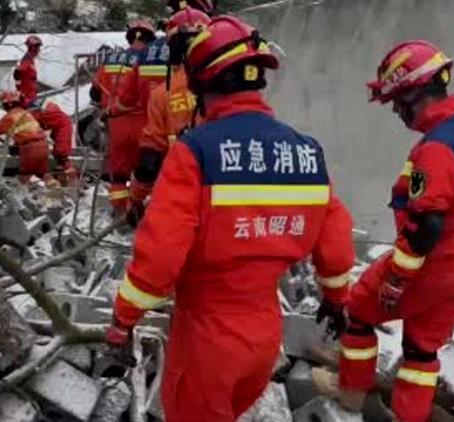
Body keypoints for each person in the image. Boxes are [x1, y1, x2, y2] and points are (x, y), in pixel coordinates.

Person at [104, 16, 356, 421]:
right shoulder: (306, 151)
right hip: (264, 335)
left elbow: (160, 255)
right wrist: (338, 299)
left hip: (207, 336)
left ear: (205, 84)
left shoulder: (196, 151)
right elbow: (336, 241)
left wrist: (123, 319)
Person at [312, 40, 454, 422]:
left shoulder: (436, 149)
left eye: (399, 101)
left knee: (358, 312)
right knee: (421, 351)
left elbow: (426, 225)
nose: (397, 110)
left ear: (417, 92)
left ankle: (350, 392)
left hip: (428, 267)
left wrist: (397, 277)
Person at [127, 7, 210, 225]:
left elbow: (149, 162)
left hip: (182, 197)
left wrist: (135, 198)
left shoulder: (163, 94)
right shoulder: (233, 90)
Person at [105, 19, 159, 216]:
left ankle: (119, 214)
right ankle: (144, 213)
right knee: (147, 172)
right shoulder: (150, 60)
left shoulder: (110, 59)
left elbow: (95, 93)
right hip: (144, 123)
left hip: (116, 124)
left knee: (118, 174)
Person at [0, 91, 49, 183]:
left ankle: (21, 193)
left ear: (8, 104)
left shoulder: (11, 115)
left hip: (30, 148)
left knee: (24, 176)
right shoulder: (25, 113)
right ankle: (54, 188)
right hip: (43, 146)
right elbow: (27, 132)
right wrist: (17, 145)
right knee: (43, 173)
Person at [28, 99, 77, 186]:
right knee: (59, 154)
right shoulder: (47, 113)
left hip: (62, 129)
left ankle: (71, 181)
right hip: (61, 128)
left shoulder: (38, 116)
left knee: (61, 153)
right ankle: (65, 179)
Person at [14, 35, 42, 107]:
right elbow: (17, 73)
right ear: (33, 48)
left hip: (31, 96)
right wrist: (20, 90)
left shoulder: (30, 60)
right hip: (27, 99)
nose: (39, 50)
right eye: (38, 48)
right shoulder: (26, 61)